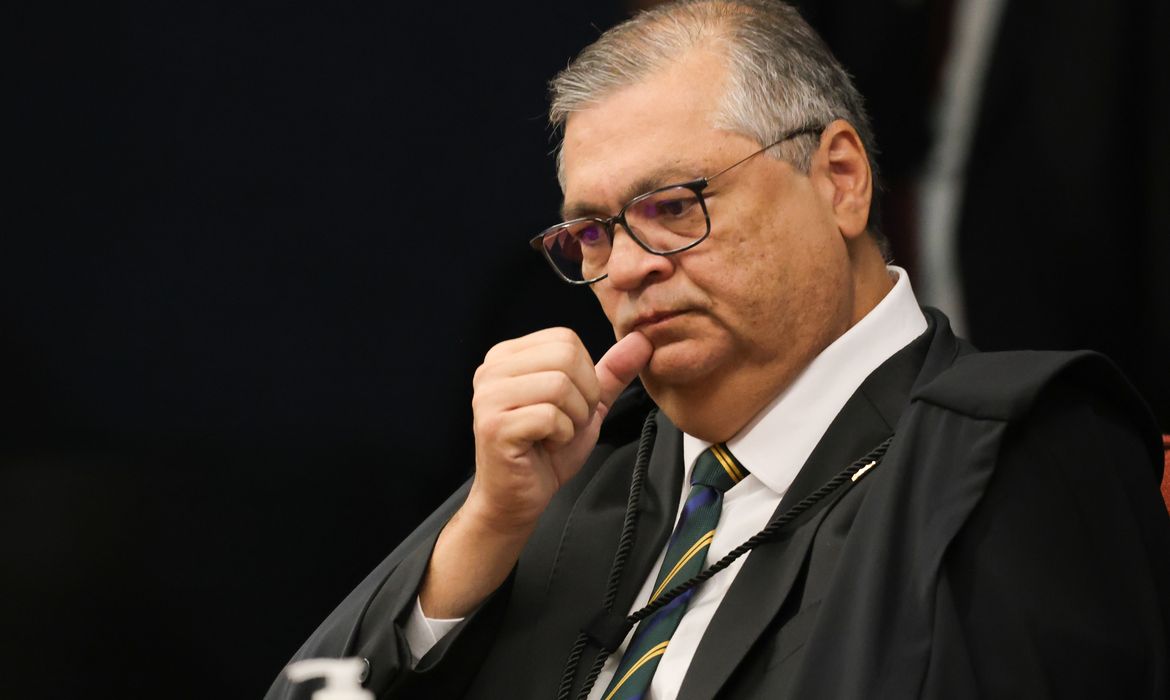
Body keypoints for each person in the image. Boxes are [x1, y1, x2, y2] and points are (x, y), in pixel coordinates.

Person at [266, 1, 1170, 698]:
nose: (627, 268)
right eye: (593, 233)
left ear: (840, 180)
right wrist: (487, 527)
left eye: (673, 207)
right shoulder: (566, 471)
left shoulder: (1021, 450)